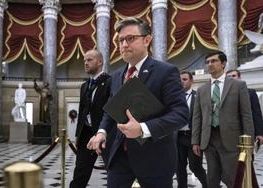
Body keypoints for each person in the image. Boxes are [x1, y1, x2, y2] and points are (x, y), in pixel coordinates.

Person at [87, 17, 189, 188]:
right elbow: (111, 110)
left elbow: (181, 114)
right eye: (120, 40)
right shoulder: (117, 76)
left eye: (130, 38)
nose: (124, 44)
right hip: (119, 156)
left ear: (147, 40)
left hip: (155, 157)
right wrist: (102, 132)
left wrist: (143, 129)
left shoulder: (166, 72)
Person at [191, 51, 254, 188]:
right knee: (212, 178)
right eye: (207, 62)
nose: (210, 64)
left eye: (214, 61)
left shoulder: (238, 86)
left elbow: (246, 115)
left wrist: (248, 142)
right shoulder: (202, 90)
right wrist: (195, 140)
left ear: (223, 63)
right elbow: (197, 117)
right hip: (209, 139)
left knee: (232, 177)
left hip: (231, 139)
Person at [70, 49, 111, 188]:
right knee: (80, 172)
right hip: (86, 134)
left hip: (106, 133)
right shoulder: (84, 86)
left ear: (100, 62)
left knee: (114, 172)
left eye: (89, 60)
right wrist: (78, 135)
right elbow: (82, 112)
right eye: (84, 61)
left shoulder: (110, 82)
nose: (86, 63)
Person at [177, 70, 207, 188]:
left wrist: (199, 140)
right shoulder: (174, 97)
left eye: (184, 79)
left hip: (193, 137)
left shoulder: (198, 96)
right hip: (178, 137)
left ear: (191, 81)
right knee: (179, 167)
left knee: (195, 166)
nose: (181, 82)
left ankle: (207, 185)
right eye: (179, 80)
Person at [226, 69, 263, 145]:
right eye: (228, 77)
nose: (231, 78)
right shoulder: (223, 95)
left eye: (234, 76)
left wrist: (259, 133)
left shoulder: (250, 92)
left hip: (247, 132)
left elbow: (256, 114)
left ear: (239, 78)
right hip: (229, 134)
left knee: (247, 155)